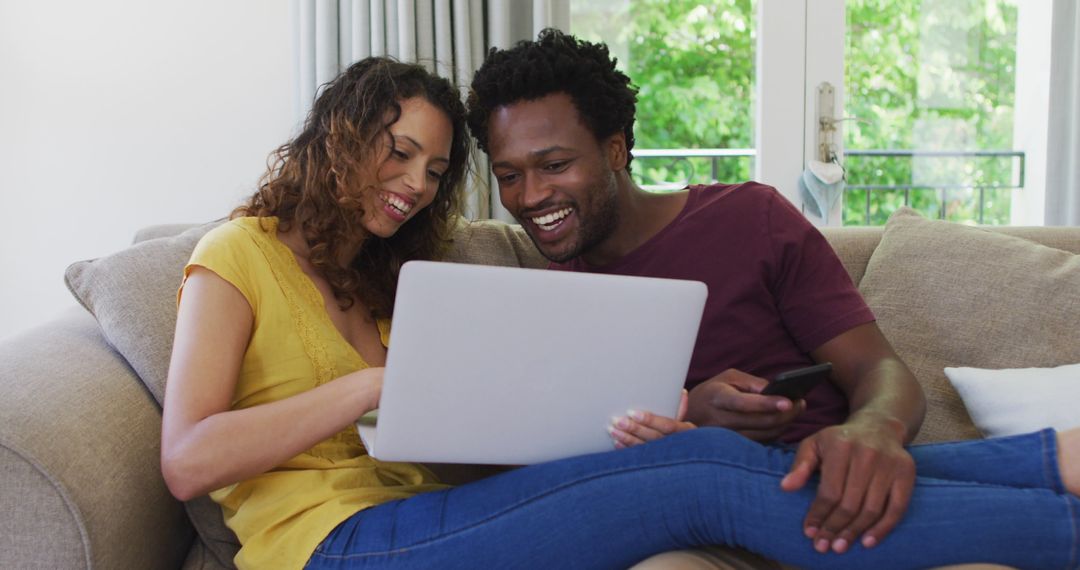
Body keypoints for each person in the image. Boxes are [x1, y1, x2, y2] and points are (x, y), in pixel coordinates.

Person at [161, 56, 1078, 570]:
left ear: (615, 150)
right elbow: (186, 458)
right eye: (396, 155)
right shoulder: (235, 255)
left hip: (431, 515)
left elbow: (437, 448)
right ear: (336, 139)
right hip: (332, 548)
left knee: (701, 455)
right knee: (703, 476)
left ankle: (1048, 465)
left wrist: (582, 417)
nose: (411, 187)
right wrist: (373, 382)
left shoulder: (386, 282)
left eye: (434, 171)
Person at [462, 29, 1080, 567]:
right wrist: (693, 419)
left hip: (823, 484)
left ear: (617, 149)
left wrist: (871, 429)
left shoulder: (748, 218)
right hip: (697, 524)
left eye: (555, 165)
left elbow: (881, 371)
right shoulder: (546, 300)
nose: (531, 195)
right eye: (510, 176)